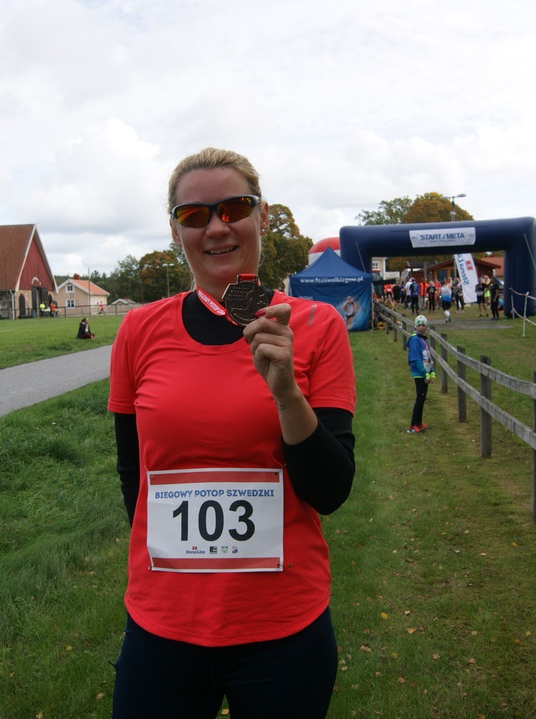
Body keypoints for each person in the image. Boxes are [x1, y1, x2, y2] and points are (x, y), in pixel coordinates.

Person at [107, 147, 357, 719]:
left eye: (235, 208)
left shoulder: (315, 326)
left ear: (262, 217)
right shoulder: (139, 330)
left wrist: (287, 395)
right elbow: (132, 476)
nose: (217, 227)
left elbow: (331, 491)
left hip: (282, 629)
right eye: (195, 215)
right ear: (176, 231)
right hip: (163, 625)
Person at [405, 314, 435, 433]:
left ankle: (419, 422)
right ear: (415, 326)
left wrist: (432, 372)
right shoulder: (414, 340)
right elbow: (416, 359)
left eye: (423, 325)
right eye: (419, 325)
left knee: (423, 398)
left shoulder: (424, 339)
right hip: (419, 373)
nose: (421, 327)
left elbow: (428, 357)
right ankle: (413, 425)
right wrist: (425, 374)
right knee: (420, 397)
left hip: (425, 372)